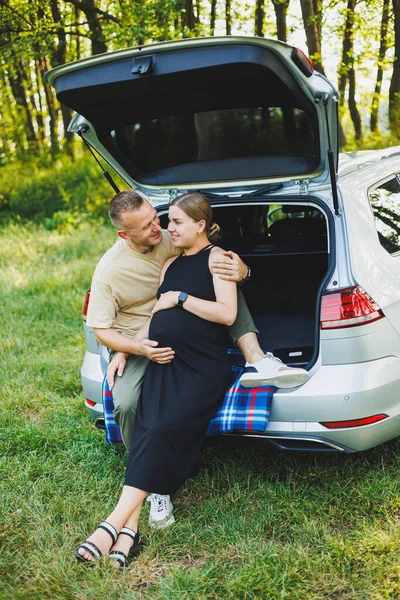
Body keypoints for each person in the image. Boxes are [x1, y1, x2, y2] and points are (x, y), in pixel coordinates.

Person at [85, 191, 309, 529]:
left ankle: (256, 357)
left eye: (161, 219)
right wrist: (128, 349)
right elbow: (104, 327)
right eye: (148, 227)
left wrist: (242, 270)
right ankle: (154, 484)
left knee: (165, 416)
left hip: (196, 351)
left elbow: (217, 279)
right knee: (131, 406)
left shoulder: (175, 241)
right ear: (125, 235)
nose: (160, 228)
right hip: (142, 345)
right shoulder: (112, 270)